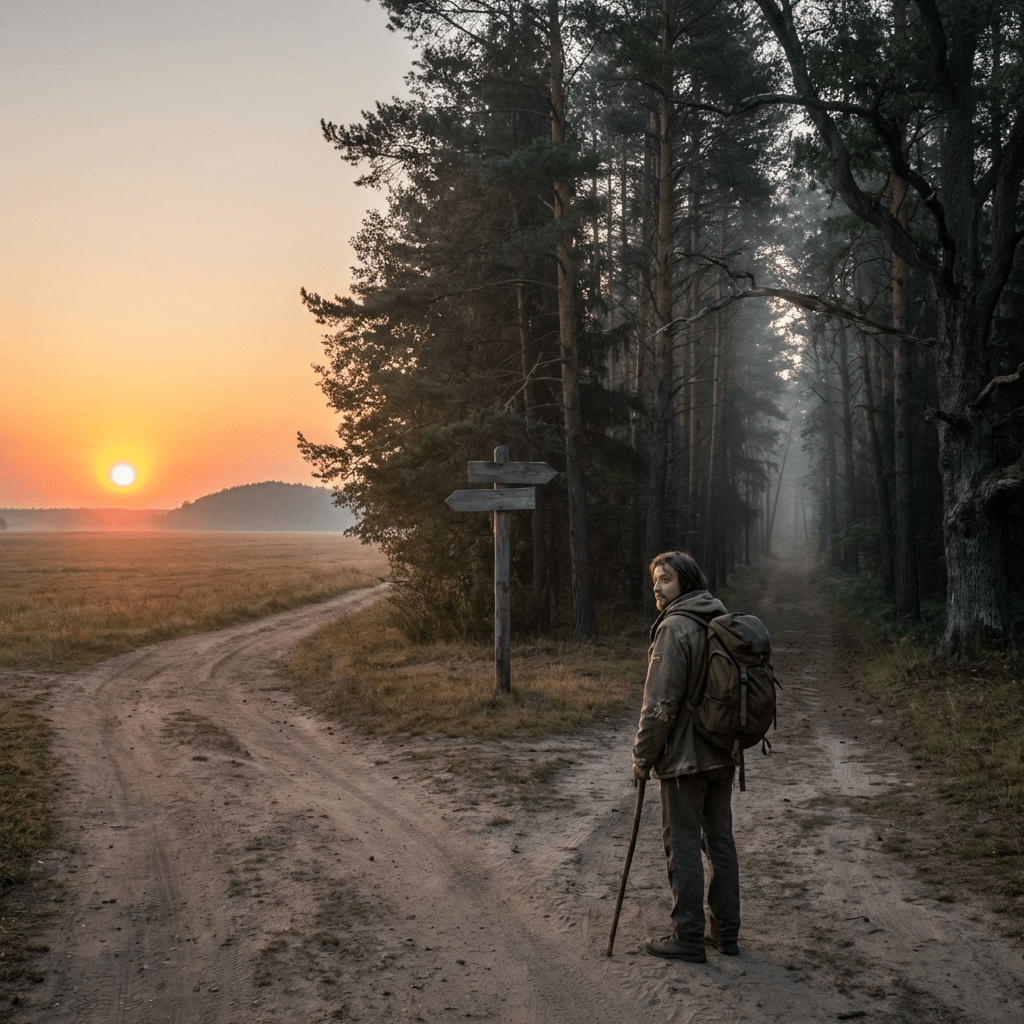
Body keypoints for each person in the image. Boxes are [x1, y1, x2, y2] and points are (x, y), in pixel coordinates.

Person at [631, 551, 741, 963]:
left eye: (666, 580)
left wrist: (642, 758)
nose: (657, 588)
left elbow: (659, 704)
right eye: (655, 581)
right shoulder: (719, 617)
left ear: (686, 583)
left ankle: (689, 937)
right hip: (723, 753)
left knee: (682, 846)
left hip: (684, 760)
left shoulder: (674, 628)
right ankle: (727, 934)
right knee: (720, 843)